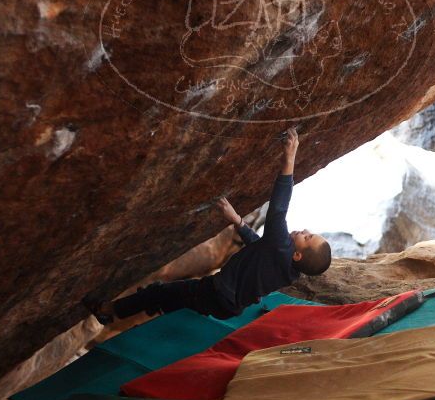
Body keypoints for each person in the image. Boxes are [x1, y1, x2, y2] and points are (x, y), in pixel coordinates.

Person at [84, 128, 331, 325]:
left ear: (297, 254)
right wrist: (238, 221)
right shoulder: (287, 267)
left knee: (159, 293)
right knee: (170, 299)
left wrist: (289, 157)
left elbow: (278, 208)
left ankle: (109, 311)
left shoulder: (281, 246)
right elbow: (259, 248)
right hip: (226, 305)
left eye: (308, 238)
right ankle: (158, 309)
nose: (305, 231)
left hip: (214, 294)